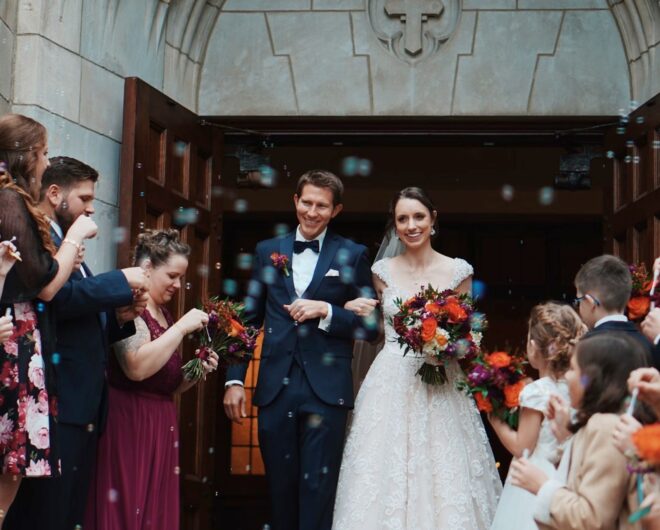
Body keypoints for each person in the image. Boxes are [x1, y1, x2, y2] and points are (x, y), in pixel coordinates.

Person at [333, 187, 502, 530]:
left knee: (445, 469)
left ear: (433, 219)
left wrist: (446, 345)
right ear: (395, 226)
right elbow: (371, 329)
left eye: (418, 217)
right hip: (391, 378)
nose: (411, 225)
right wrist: (348, 308)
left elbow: (468, 336)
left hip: (444, 381)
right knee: (383, 471)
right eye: (403, 219)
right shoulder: (381, 272)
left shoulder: (458, 272)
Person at [223, 170, 379, 530]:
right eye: (306, 202)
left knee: (318, 490)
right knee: (280, 491)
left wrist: (327, 311)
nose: (312, 212)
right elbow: (247, 321)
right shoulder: (267, 251)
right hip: (276, 389)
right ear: (295, 201)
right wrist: (234, 381)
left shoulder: (352, 254)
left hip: (326, 391)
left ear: (335, 210)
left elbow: (370, 328)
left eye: (321, 206)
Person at [3, 157, 149, 530]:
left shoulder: (67, 243)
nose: (91, 207)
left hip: (82, 407)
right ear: (55, 194)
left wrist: (119, 318)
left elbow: (76, 315)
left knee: (67, 514)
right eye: (84, 197)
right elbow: (57, 300)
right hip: (58, 401)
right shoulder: (47, 242)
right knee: (44, 515)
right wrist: (120, 279)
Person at [85, 229, 217, 530]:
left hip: (160, 421)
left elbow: (166, 381)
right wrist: (181, 329)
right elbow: (136, 367)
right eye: (171, 275)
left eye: (180, 276)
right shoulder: (131, 305)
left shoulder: (164, 314)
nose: (177, 284)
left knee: (152, 512)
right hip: (128, 421)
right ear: (147, 268)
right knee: (127, 507)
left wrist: (196, 369)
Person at [0, 114, 97, 523]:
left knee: (13, 465)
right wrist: (73, 241)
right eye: (40, 154)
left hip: (23, 341)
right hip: (11, 340)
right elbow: (44, 284)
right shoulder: (9, 201)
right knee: (10, 461)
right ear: (23, 158)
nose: (44, 163)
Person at [509, 332, 651, 530]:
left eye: (573, 369)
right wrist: (565, 437)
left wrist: (542, 486)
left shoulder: (605, 426)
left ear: (591, 379)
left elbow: (593, 519)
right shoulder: (597, 422)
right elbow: (585, 481)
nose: (566, 376)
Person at [489, 302, 585, 530]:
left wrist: (495, 420)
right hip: (567, 475)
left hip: (534, 479)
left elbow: (522, 447)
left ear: (533, 346)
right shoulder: (578, 386)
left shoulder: (536, 390)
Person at [574, 254, 654, 363]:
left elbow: (583, 380)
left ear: (589, 302)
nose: (579, 307)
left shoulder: (584, 348)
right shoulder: (648, 344)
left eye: (579, 300)